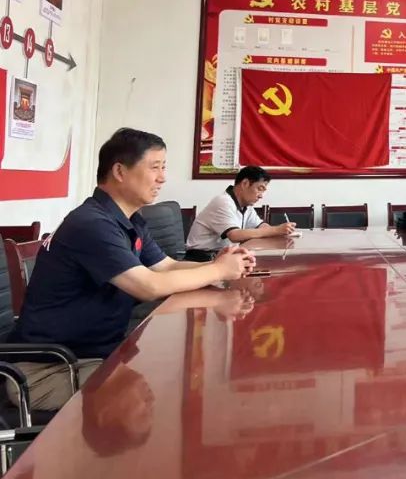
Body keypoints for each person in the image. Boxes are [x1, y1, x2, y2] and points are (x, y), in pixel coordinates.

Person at [6, 128, 254, 411]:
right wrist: (219, 271)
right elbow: (148, 286)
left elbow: (166, 266)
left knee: (174, 369)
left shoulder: (129, 221)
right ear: (120, 171)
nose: (162, 177)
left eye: (163, 168)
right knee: (171, 381)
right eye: (155, 167)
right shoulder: (92, 224)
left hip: (89, 356)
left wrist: (216, 264)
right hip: (48, 370)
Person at [185, 166, 294, 260]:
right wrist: (275, 230)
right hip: (201, 258)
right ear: (245, 183)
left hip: (223, 255)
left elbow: (260, 226)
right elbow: (235, 235)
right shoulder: (223, 202)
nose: (261, 195)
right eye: (259, 189)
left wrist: (280, 231)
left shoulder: (246, 205)